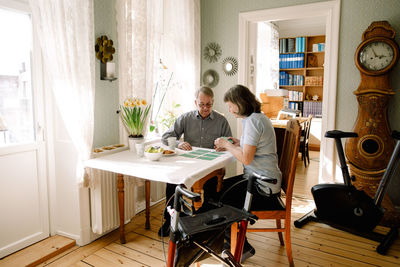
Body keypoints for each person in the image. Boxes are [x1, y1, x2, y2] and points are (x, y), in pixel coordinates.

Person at [214, 84, 282, 262]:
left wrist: (227, 145)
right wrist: (238, 142)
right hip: (267, 180)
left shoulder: (252, 121)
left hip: (262, 186)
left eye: (230, 105)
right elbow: (252, 148)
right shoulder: (257, 118)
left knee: (222, 198)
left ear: (240, 102)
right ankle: (231, 242)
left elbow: (246, 159)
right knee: (220, 190)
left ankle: (240, 248)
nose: (229, 109)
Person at [158, 86, 232, 237]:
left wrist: (224, 146)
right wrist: (178, 143)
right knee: (172, 182)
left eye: (209, 104)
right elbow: (165, 137)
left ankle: (205, 224)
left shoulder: (221, 121)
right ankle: (170, 221)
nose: (205, 108)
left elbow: (230, 143)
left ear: (213, 102)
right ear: (195, 102)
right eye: (201, 104)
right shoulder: (185, 118)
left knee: (211, 187)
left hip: (211, 167)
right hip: (188, 166)